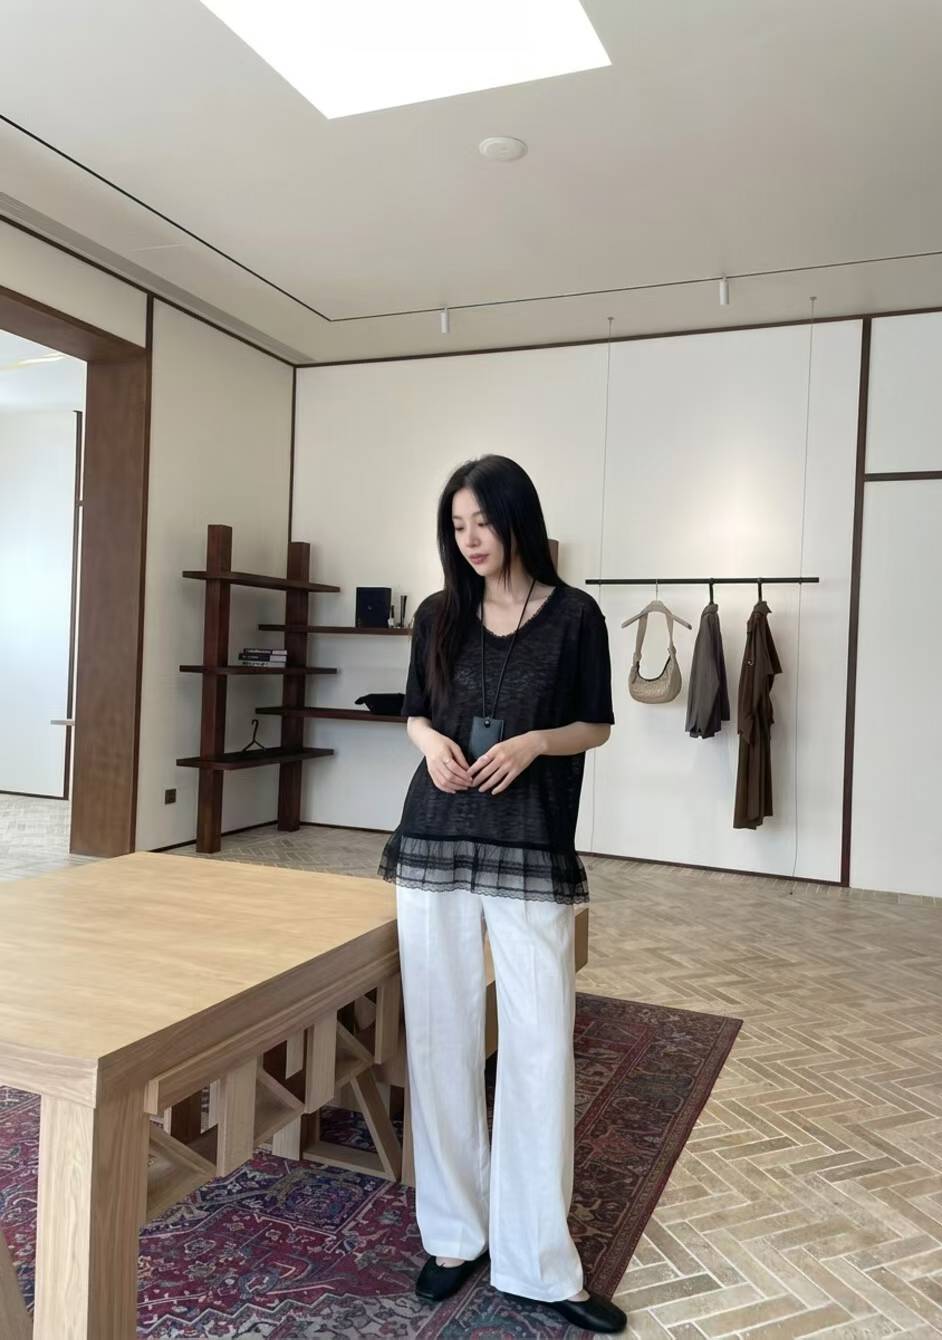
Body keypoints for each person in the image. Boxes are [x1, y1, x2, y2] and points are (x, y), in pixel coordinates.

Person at [379, 454, 626, 1333]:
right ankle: (454, 1235)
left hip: (528, 841)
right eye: (457, 526)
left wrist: (533, 744)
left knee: (538, 1043)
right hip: (435, 836)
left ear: (519, 518)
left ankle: (538, 1262)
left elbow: (597, 723)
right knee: (439, 1034)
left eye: (482, 521)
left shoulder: (576, 616)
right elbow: (415, 709)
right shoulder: (439, 614)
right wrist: (428, 744)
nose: (470, 539)